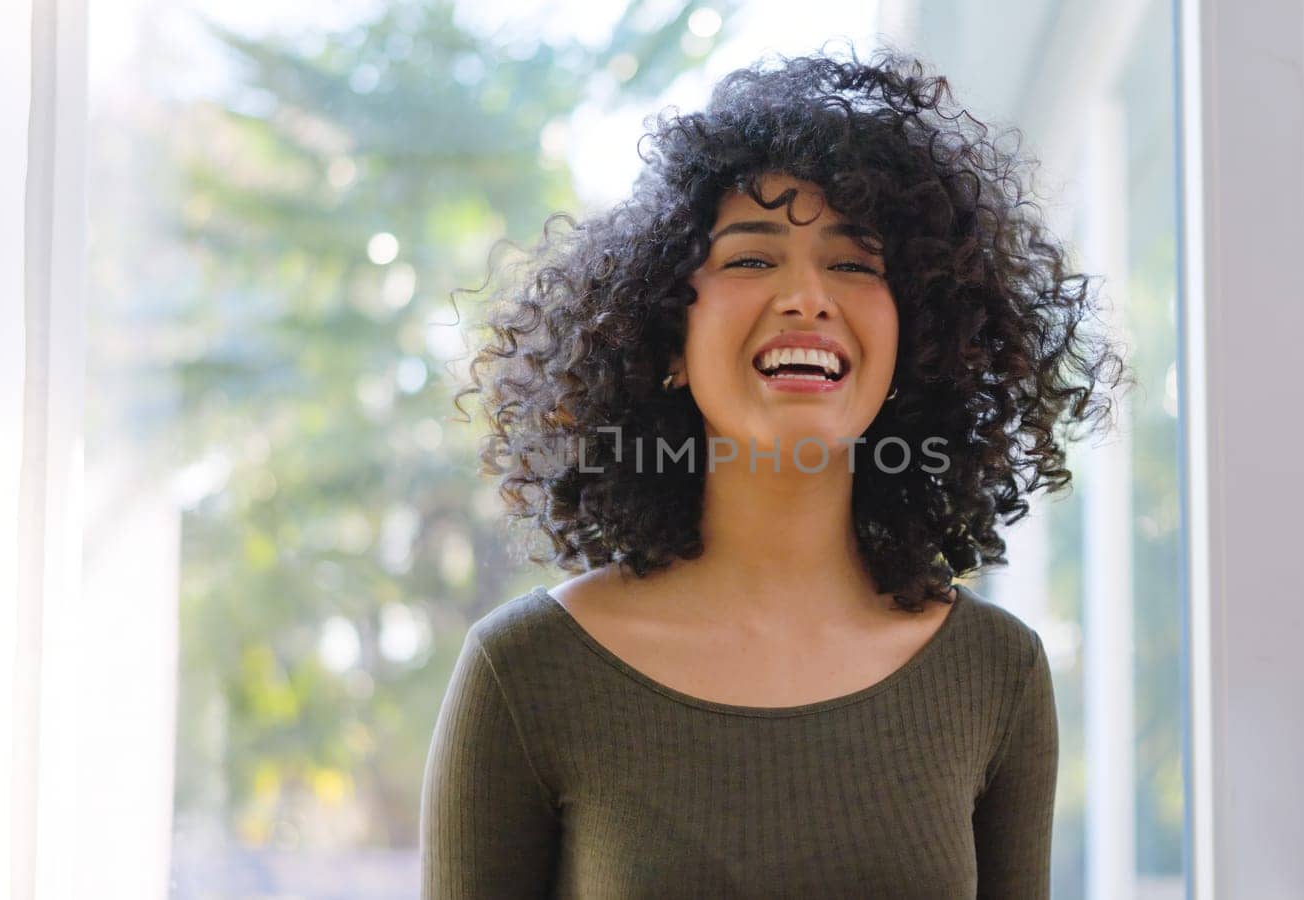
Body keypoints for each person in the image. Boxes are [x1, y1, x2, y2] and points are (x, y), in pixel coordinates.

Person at [422, 49, 1128, 899]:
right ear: (665, 341)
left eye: (855, 264)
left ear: (919, 341)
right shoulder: (525, 673)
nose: (806, 296)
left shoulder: (994, 673)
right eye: (752, 260)